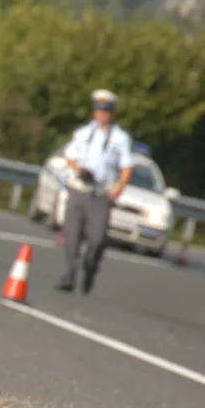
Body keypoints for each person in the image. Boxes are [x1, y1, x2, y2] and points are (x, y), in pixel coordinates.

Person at [56, 89, 134, 294]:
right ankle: (68, 277)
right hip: (80, 190)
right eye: (98, 111)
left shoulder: (120, 138)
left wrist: (119, 188)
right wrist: (79, 170)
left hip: (100, 194)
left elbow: (127, 166)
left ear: (112, 113)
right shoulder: (82, 133)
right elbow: (70, 155)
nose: (101, 115)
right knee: (71, 236)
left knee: (97, 240)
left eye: (106, 111)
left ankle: (90, 269)